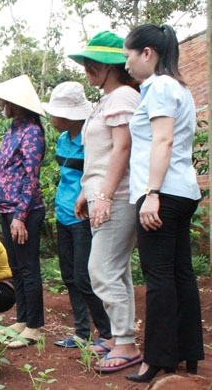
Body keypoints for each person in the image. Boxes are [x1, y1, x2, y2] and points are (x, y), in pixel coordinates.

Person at [123, 24, 204, 382]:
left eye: (128, 55)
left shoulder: (157, 87)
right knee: (180, 273)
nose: (126, 65)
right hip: (183, 191)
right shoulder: (181, 89)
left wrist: (152, 194)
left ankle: (156, 360)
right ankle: (186, 354)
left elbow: (163, 141)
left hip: (162, 192)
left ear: (147, 53)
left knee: (158, 278)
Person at [68, 31, 142, 372]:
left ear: (112, 65)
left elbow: (123, 149)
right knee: (116, 269)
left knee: (100, 270)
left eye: (92, 63)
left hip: (119, 196)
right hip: (102, 194)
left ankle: (125, 342)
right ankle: (119, 337)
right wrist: (86, 191)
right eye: (85, 63)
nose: (87, 69)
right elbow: (100, 155)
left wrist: (106, 195)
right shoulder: (106, 100)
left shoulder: (124, 96)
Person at [41, 81, 113, 348]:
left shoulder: (90, 137)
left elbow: (100, 173)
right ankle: (82, 333)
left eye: (55, 113)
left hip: (84, 216)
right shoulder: (62, 140)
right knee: (70, 276)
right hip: (63, 213)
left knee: (85, 277)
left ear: (69, 115)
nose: (52, 118)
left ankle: (106, 333)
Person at [0, 75, 46, 349]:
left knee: (28, 269)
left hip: (25, 211)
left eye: (3, 101)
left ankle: (35, 327)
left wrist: (20, 215)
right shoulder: (12, 132)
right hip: (7, 209)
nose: (0, 105)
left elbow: (31, 177)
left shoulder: (32, 131)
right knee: (16, 268)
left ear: (15, 104)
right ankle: (22, 319)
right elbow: (4, 175)